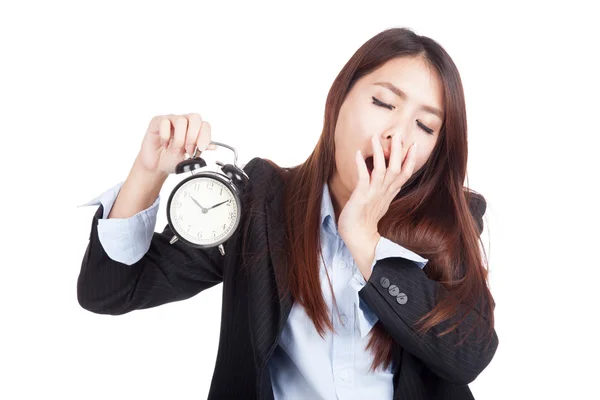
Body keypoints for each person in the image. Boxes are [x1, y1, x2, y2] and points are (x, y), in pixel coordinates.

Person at [77, 27, 498, 400]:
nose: (398, 135)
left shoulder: (451, 219)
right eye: (384, 102)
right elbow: (110, 290)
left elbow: (469, 356)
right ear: (339, 99)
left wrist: (365, 239)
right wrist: (148, 173)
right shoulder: (262, 201)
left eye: (425, 127)